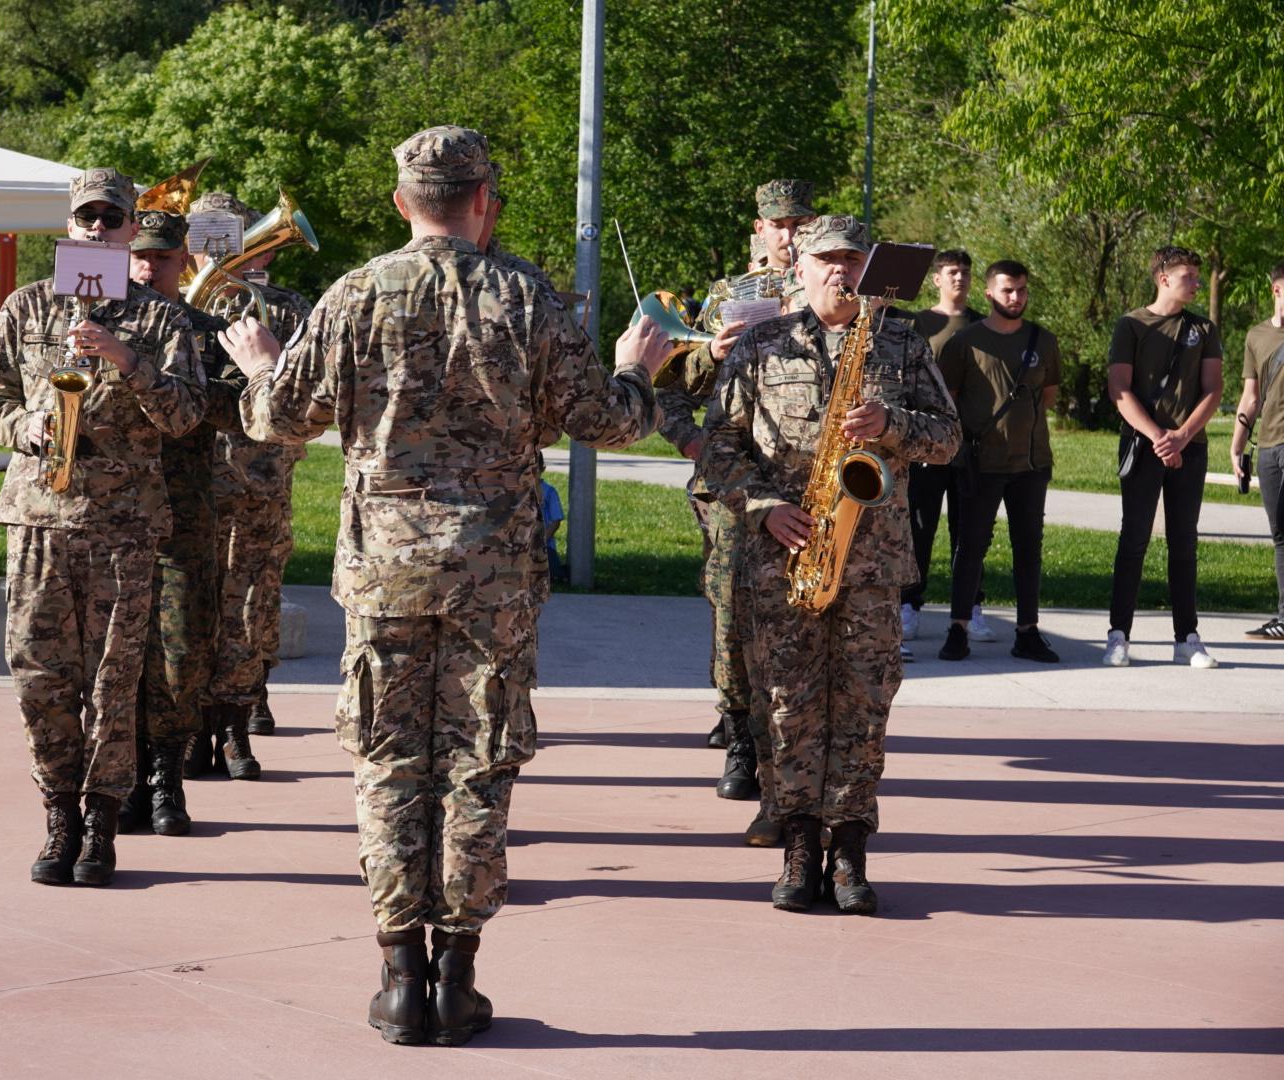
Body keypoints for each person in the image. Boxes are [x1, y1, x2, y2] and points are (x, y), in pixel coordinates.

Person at [219, 125, 665, 1046]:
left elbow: (277, 420)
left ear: (401, 202)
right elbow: (607, 421)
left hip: (384, 565)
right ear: (482, 200)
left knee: (388, 762)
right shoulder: (527, 296)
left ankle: (397, 979)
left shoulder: (352, 295)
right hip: (493, 573)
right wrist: (638, 366)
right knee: (477, 762)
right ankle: (456, 979)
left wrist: (261, 362)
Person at [697, 215, 959, 915]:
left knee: (864, 707)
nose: (841, 271)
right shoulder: (759, 346)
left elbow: (950, 439)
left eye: (853, 259)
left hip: (871, 563)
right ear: (800, 271)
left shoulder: (901, 341)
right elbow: (716, 447)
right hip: (786, 557)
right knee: (788, 707)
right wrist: (759, 506)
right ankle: (797, 846)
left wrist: (893, 425)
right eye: (827, 260)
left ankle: (849, 851)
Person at [0, 169, 209, 887]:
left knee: (112, 679)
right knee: (41, 672)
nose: (100, 230)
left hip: (123, 525)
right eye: (88, 219)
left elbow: (186, 416)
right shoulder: (28, 306)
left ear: (134, 227)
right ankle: (59, 815)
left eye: (113, 219)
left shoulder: (162, 319)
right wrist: (29, 425)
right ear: (71, 226)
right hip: (40, 517)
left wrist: (128, 361)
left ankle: (102, 822)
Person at [660, 180, 817, 847]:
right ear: (761, 227)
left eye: (801, 223)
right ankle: (739, 736)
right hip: (736, 480)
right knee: (732, 609)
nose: (790, 235)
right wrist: (712, 355)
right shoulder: (731, 294)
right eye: (780, 225)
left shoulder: (833, 291)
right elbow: (675, 382)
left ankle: (802, 746)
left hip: (810, 480)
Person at [118, 209, 246, 836]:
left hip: (183, 509)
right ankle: (128, 777)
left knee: (183, 649)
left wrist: (185, 389)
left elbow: (240, 408)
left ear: (183, 261)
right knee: (117, 653)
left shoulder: (206, 331)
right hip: (114, 510)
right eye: (139, 255)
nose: (148, 267)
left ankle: (167, 774)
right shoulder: (94, 325)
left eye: (162, 257)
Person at [192, 191, 314, 774]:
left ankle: (238, 719)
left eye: (230, 234)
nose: (216, 247)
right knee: (192, 605)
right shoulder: (174, 304)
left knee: (252, 605)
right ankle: (190, 723)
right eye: (204, 235)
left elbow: (312, 396)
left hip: (260, 479)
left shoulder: (285, 308)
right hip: (189, 479)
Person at [936, 259, 1062, 663]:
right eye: (1008, 290)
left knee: (1029, 548)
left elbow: (1048, 396)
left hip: (1030, 463)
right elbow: (947, 401)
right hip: (980, 462)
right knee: (970, 546)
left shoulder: (1044, 340)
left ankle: (1027, 631)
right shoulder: (965, 342)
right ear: (989, 294)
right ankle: (958, 629)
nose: (1016, 297)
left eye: (1022, 290)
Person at [1104, 246, 1224, 668]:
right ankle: (1118, 635)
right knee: (1133, 540)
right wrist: (1159, 436)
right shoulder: (1132, 325)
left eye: (1196, 275)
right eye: (1188, 275)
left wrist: (1182, 436)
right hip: (1143, 445)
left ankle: (1186, 637)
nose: (1195, 282)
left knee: (1183, 542)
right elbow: (1119, 388)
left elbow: (1213, 389)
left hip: (1190, 447)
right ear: (1163, 278)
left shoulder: (1203, 328)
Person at [901, 249, 990, 643]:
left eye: (966, 272)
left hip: (969, 446)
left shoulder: (983, 325)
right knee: (919, 527)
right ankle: (909, 604)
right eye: (952, 272)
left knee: (969, 531)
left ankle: (972, 606)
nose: (960, 278)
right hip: (924, 442)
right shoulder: (919, 323)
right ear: (936, 279)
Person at [1231, 260, 1284, 640]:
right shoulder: (1257, 336)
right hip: (1268, 445)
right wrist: (1237, 444)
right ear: (1276, 289)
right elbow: (1250, 396)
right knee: (1280, 532)